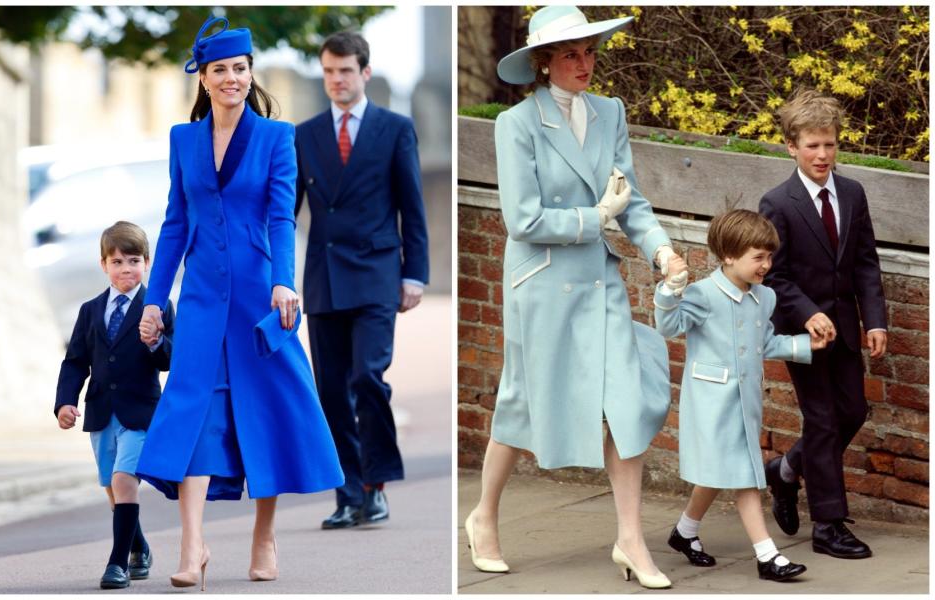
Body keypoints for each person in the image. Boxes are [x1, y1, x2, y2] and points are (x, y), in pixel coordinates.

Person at [464, 6, 689, 589]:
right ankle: (484, 515)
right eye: (570, 54)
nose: (584, 63)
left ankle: (630, 540)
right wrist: (596, 216)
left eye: (589, 51)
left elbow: (630, 199)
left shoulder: (611, 112)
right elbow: (522, 219)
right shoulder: (515, 124)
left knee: (625, 404)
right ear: (544, 63)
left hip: (599, 282)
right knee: (521, 406)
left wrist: (662, 252)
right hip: (539, 285)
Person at [135, 16, 343, 590]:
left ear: (252, 74)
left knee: (267, 410)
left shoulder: (278, 138)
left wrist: (283, 280)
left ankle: (264, 536)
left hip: (261, 297)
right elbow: (176, 223)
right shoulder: (183, 139)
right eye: (220, 69)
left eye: (240, 68)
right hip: (201, 298)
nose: (232, 78)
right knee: (194, 413)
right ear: (203, 78)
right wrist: (156, 300)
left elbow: (281, 216)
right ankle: (192, 546)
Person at [294, 31, 429, 530]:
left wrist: (415, 274)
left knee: (366, 377)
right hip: (323, 278)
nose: (336, 80)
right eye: (329, 71)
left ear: (365, 73)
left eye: (345, 71)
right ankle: (347, 494)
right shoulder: (304, 135)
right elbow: (287, 216)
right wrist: (276, 279)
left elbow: (412, 207)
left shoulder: (394, 128)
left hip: (377, 274)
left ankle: (375, 485)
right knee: (330, 390)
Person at [654, 210, 826, 581]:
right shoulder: (702, 294)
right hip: (712, 404)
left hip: (746, 403)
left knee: (718, 474)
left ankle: (684, 533)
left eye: (769, 256)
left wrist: (803, 344)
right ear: (729, 255)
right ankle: (768, 556)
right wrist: (670, 289)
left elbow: (763, 343)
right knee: (747, 477)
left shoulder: (764, 298)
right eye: (758, 257)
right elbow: (669, 326)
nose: (767, 265)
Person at [759, 90, 887, 559]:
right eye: (812, 145)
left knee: (852, 412)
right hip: (801, 331)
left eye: (830, 145)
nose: (822, 155)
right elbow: (775, 273)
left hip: (847, 329)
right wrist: (807, 311)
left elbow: (865, 262)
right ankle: (829, 525)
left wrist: (874, 320)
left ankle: (787, 469)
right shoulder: (778, 202)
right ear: (791, 146)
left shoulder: (852, 193)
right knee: (823, 419)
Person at [54, 221, 174, 589]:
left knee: (125, 481)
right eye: (117, 261)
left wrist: (155, 343)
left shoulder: (158, 305)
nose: (126, 269)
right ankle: (139, 548)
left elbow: (172, 358)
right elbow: (75, 361)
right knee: (112, 486)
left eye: (134, 260)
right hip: (101, 412)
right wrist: (64, 403)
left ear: (148, 262)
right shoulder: (90, 311)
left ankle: (117, 563)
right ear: (103, 264)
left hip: (140, 411)